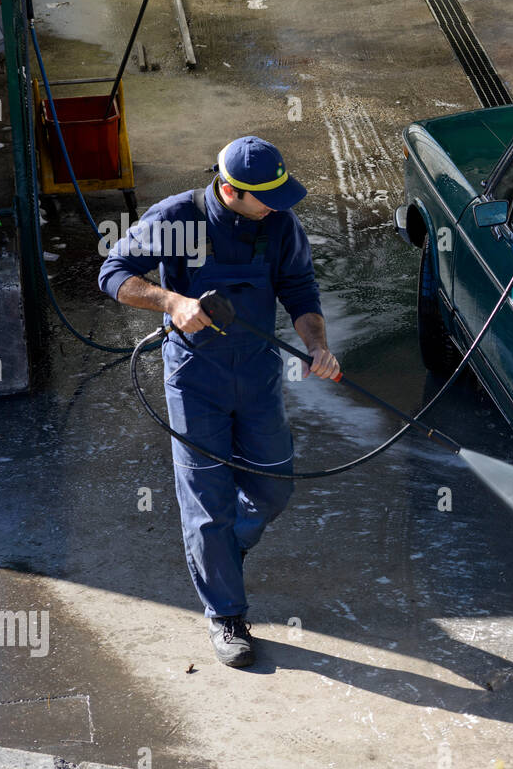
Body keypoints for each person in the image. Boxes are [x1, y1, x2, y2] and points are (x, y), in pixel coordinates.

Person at [98, 136, 340, 667]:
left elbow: (299, 288)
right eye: (266, 197)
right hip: (194, 378)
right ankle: (226, 614)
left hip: (257, 374)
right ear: (230, 191)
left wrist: (317, 345)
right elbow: (112, 273)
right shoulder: (177, 217)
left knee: (275, 487)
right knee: (207, 502)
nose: (278, 206)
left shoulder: (279, 224)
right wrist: (172, 301)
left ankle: (225, 550)